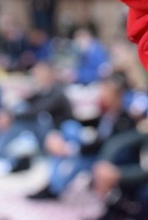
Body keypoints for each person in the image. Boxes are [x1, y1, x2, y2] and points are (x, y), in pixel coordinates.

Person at [28, 72, 136, 200]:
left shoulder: (124, 120)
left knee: (79, 159)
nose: (103, 94)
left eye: (107, 91)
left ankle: (55, 187)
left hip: (109, 157)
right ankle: (53, 182)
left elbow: (106, 143)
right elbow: (91, 124)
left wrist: (73, 149)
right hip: (95, 148)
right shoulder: (108, 114)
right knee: (68, 128)